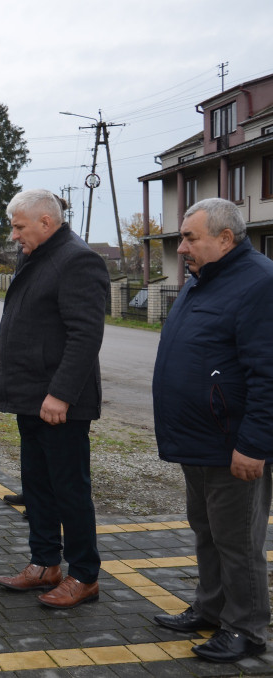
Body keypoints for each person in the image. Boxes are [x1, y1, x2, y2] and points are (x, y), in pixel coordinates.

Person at [151, 198, 273, 663]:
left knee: (238, 542)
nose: (181, 247)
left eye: (190, 238)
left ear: (226, 238)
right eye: (181, 238)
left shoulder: (259, 283)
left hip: (233, 444)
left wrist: (255, 443)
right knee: (206, 531)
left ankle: (245, 629)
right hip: (199, 440)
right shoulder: (203, 280)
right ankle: (210, 607)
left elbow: (268, 373)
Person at [0, 189, 107, 610]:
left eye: (19, 226)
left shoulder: (77, 259)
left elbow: (85, 335)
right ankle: (44, 563)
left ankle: (84, 575)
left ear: (45, 221)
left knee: (69, 490)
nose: (14, 234)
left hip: (60, 404)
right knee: (37, 486)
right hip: (30, 398)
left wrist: (60, 394)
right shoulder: (36, 255)